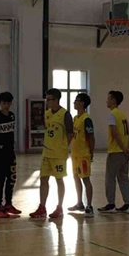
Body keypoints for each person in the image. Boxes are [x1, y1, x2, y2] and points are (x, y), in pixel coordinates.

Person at [31, 88, 72, 220]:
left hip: (59, 154)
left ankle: (59, 207)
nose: (47, 102)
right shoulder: (47, 114)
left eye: (49, 99)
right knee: (43, 179)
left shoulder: (65, 115)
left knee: (59, 180)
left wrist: (63, 146)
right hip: (46, 153)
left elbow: (70, 134)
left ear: (57, 100)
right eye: (46, 99)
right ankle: (42, 207)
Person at [98, 90, 129, 214]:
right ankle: (127, 204)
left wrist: (123, 149)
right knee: (123, 178)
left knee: (110, 178)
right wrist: (128, 150)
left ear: (113, 100)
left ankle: (111, 204)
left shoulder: (112, 114)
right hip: (124, 152)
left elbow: (115, 133)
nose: (106, 101)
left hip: (115, 151)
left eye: (108, 99)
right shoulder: (122, 115)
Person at [0, 91, 21, 217]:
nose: (6, 106)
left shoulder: (12, 116)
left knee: (11, 179)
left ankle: (8, 204)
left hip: (10, 153)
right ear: (0, 103)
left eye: (8, 103)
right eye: (4, 103)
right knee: (0, 181)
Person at [67, 92, 95, 216]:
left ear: (82, 103)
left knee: (86, 179)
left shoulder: (86, 119)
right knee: (76, 178)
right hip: (75, 155)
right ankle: (79, 203)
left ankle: (89, 206)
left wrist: (91, 152)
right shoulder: (75, 118)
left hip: (83, 155)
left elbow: (91, 137)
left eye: (76, 100)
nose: (74, 102)